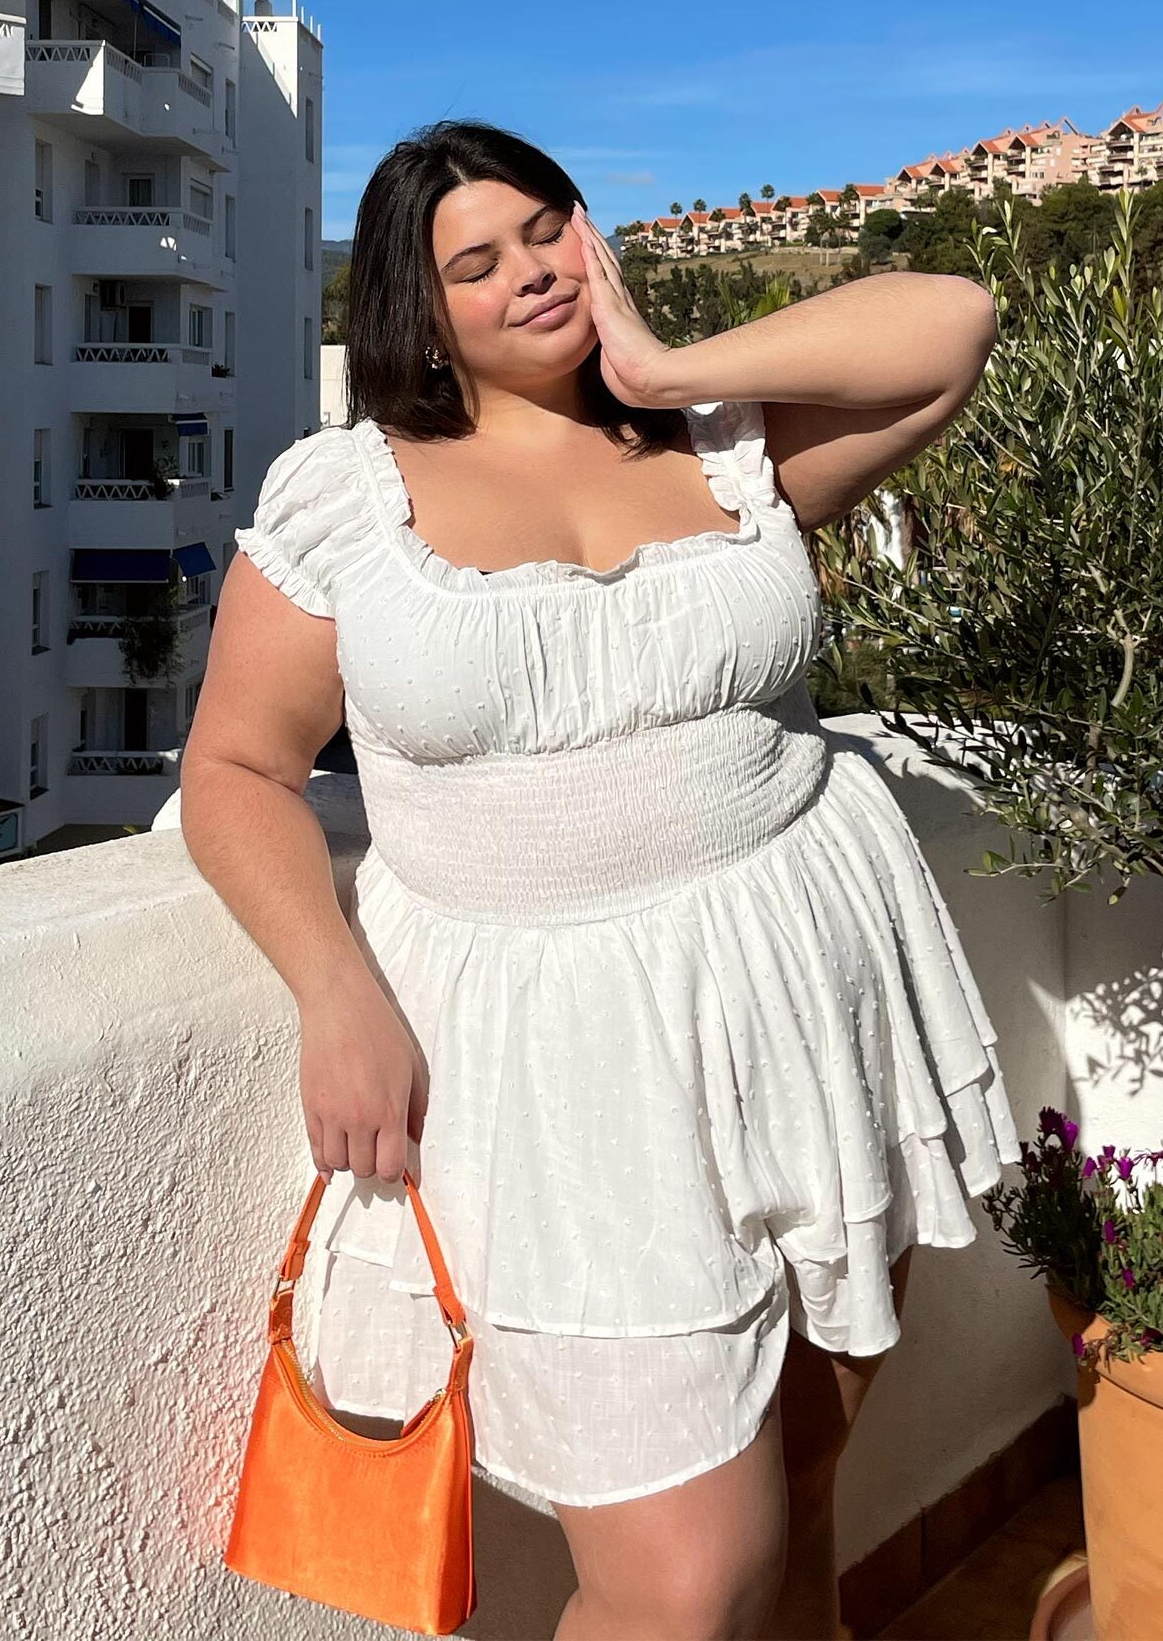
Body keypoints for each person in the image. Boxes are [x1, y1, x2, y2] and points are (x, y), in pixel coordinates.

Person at [180, 119, 1020, 1641]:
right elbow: (236, 769)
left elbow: (953, 321)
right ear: (419, 309)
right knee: (684, 1583)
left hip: (803, 993)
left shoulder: (723, 441)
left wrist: (664, 366)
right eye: (475, 263)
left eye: (546, 229)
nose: (529, 273)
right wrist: (333, 990)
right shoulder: (350, 499)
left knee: (810, 1479)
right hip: (563, 1072)